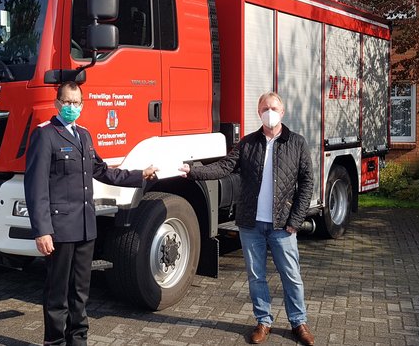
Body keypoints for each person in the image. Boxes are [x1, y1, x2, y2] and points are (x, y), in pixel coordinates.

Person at [24, 81, 158, 346]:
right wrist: (42, 230)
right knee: (57, 294)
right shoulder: (45, 135)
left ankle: (78, 340)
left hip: (86, 227)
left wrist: (139, 175)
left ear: (82, 105)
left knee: (80, 292)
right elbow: (35, 186)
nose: (71, 107)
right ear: (57, 103)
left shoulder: (84, 135)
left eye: (76, 103)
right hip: (61, 230)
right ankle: (54, 342)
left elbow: (101, 171)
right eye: (67, 102)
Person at [180, 91, 315, 345]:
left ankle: (299, 322)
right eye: (264, 108)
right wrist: (193, 172)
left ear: (282, 112)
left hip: (282, 225)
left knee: (291, 276)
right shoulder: (248, 143)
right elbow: (224, 166)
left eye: (273, 108)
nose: (269, 112)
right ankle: (264, 321)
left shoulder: (296, 143)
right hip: (251, 224)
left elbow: (307, 183)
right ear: (258, 112)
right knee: (256, 276)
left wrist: (295, 221)